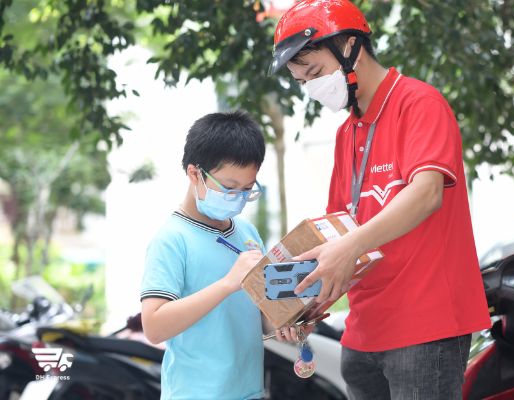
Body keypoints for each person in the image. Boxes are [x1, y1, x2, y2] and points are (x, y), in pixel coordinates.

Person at [270, 1, 491, 398]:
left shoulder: (418, 103)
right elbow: (337, 232)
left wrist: (349, 245)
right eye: (302, 81)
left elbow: (426, 194)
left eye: (315, 72)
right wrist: (304, 305)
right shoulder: (347, 133)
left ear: (350, 46)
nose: (312, 87)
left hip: (426, 325)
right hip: (363, 332)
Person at [140, 111, 268, 400]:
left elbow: (254, 314)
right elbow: (154, 326)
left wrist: (290, 321)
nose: (238, 198)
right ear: (194, 173)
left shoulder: (246, 231)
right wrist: (227, 284)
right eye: (229, 188)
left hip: (249, 392)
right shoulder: (172, 239)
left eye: (247, 190)